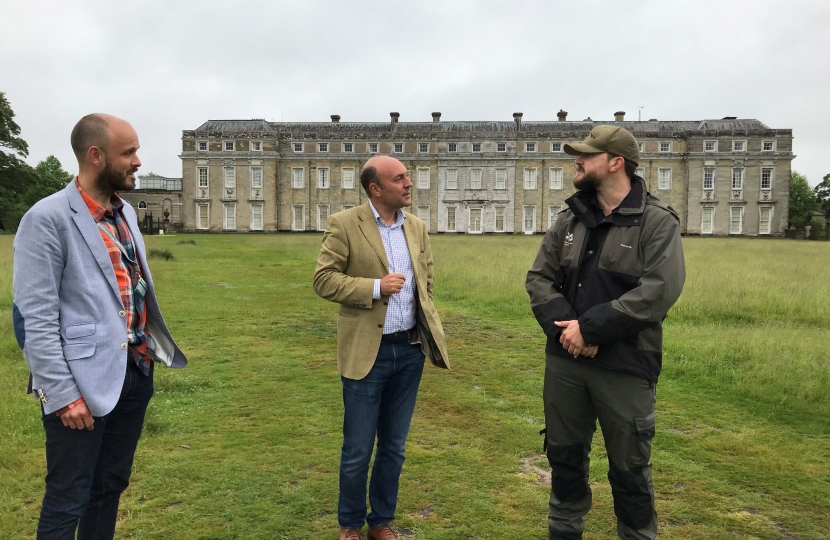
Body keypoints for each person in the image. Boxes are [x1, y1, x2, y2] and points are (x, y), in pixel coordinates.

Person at [12, 113, 187, 540]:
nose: (138, 161)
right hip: (79, 390)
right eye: (128, 152)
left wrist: (144, 355)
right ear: (95, 155)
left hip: (132, 374)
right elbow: (34, 318)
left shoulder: (122, 214)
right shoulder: (47, 218)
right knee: (67, 497)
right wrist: (62, 394)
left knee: (109, 488)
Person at [525, 125, 685, 540]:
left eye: (587, 155)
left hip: (626, 366)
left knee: (630, 470)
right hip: (565, 364)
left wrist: (591, 330)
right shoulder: (569, 219)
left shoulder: (655, 221)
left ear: (616, 163)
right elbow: (540, 279)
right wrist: (570, 333)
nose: (577, 161)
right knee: (564, 460)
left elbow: (658, 291)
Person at [313, 155, 450, 540]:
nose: (409, 183)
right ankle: (350, 525)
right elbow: (324, 280)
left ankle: (381, 522)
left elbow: (427, 281)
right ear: (376, 188)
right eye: (400, 178)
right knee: (358, 449)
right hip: (366, 353)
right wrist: (375, 288)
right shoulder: (344, 224)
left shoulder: (418, 228)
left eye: (408, 176)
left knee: (395, 446)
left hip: (409, 351)